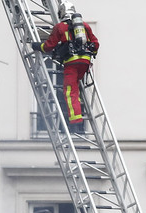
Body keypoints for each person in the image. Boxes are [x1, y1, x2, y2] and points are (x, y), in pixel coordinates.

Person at [39, 1, 99, 131]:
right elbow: (95, 43)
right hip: (85, 63)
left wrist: (38, 46)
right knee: (76, 88)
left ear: (61, 12)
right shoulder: (85, 26)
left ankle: (75, 122)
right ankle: (78, 116)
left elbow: (49, 45)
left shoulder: (60, 27)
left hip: (71, 64)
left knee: (70, 91)